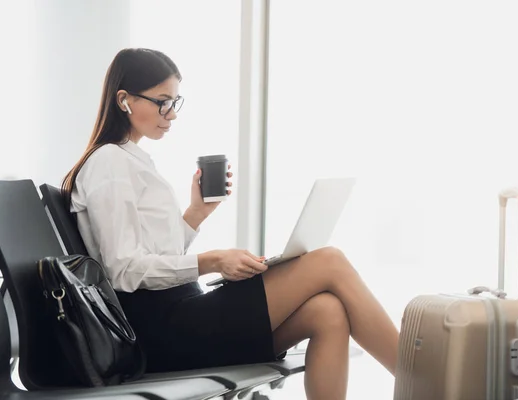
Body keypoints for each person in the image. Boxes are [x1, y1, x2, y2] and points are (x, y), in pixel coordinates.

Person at [62, 48, 399, 400]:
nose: (172, 114)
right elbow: (123, 270)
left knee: (327, 311)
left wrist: (196, 213)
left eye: (176, 102)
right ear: (124, 100)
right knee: (329, 260)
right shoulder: (109, 164)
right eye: (162, 102)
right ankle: (427, 382)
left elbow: (155, 255)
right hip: (162, 330)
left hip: (183, 314)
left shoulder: (131, 160)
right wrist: (212, 261)